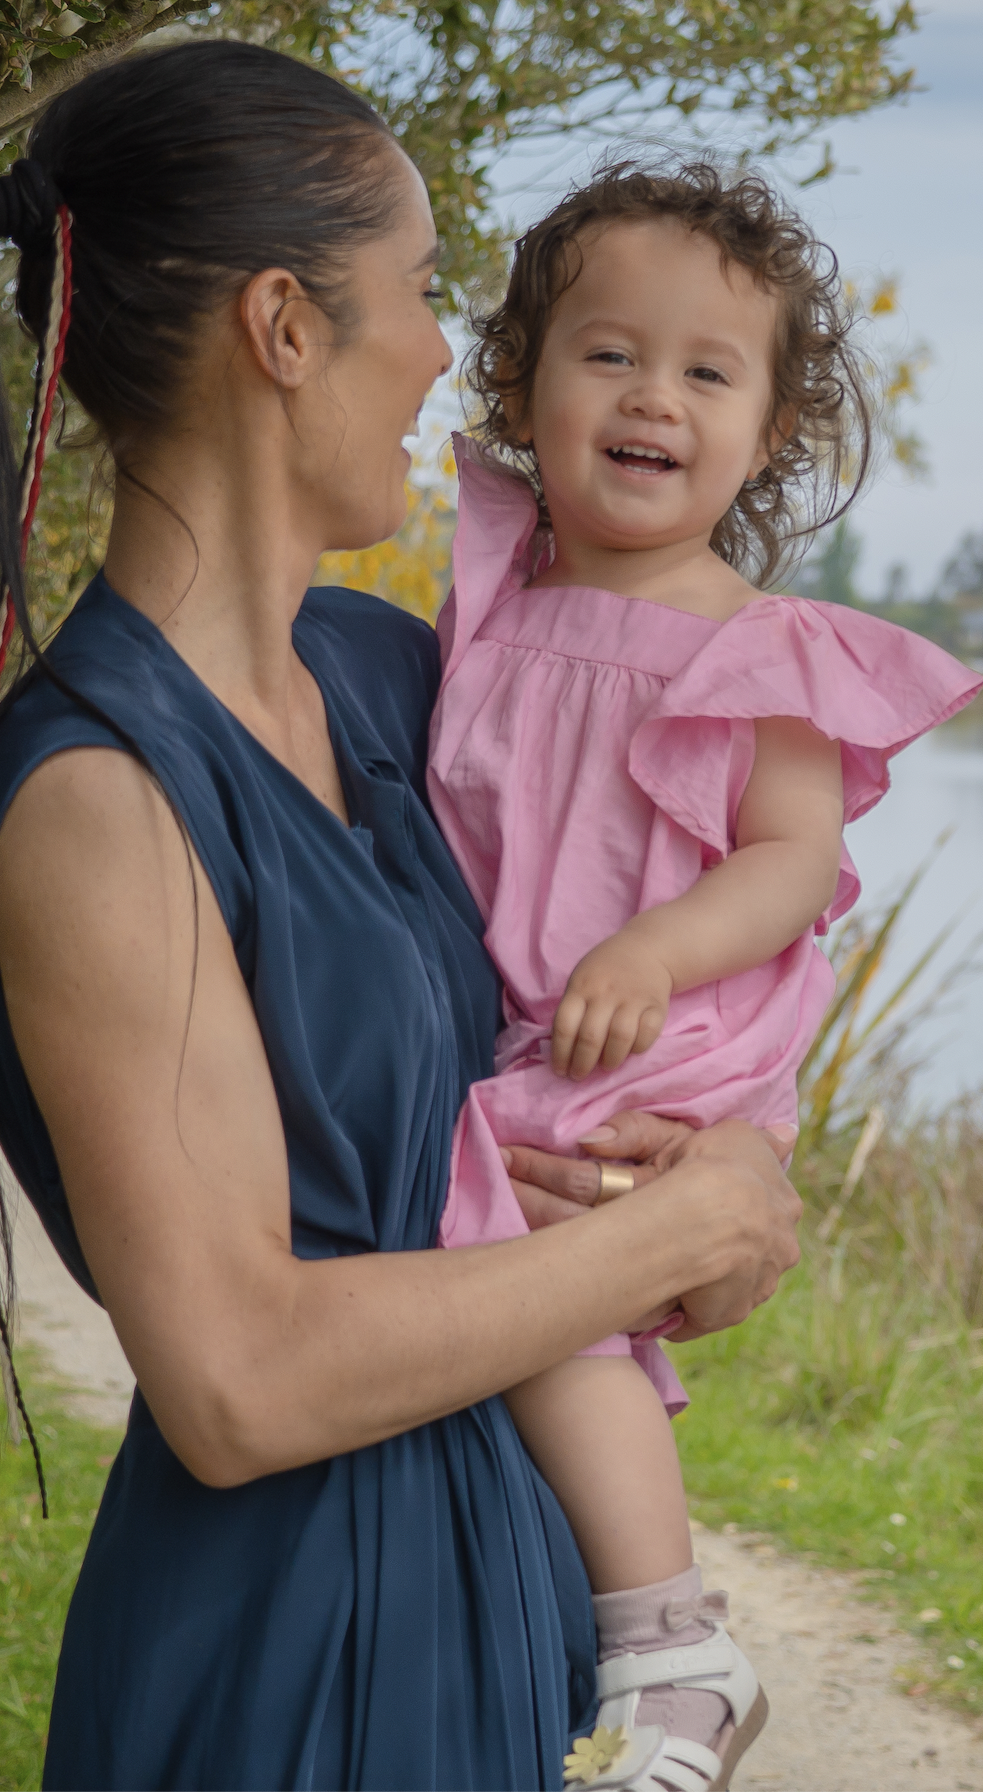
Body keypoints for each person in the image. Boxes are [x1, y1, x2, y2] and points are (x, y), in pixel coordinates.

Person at [0, 44, 801, 1792]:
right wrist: (654, 1238)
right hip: (292, 1665)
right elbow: (237, 1376)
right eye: (412, 290)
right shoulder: (98, 795)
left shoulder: (395, 679)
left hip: (490, 1603)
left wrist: (709, 1204)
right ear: (283, 328)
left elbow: (622, 985)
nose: (436, 353)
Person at [427, 162, 982, 1792]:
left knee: (531, 1283)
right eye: (606, 353)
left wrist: (646, 949)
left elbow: (789, 862)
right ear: (521, 383)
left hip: (661, 1019)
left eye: (705, 370)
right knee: (498, 1267)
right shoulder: (489, 599)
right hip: (539, 1021)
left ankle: (672, 1643)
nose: (651, 394)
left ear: (766, 431)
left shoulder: (756, 648)